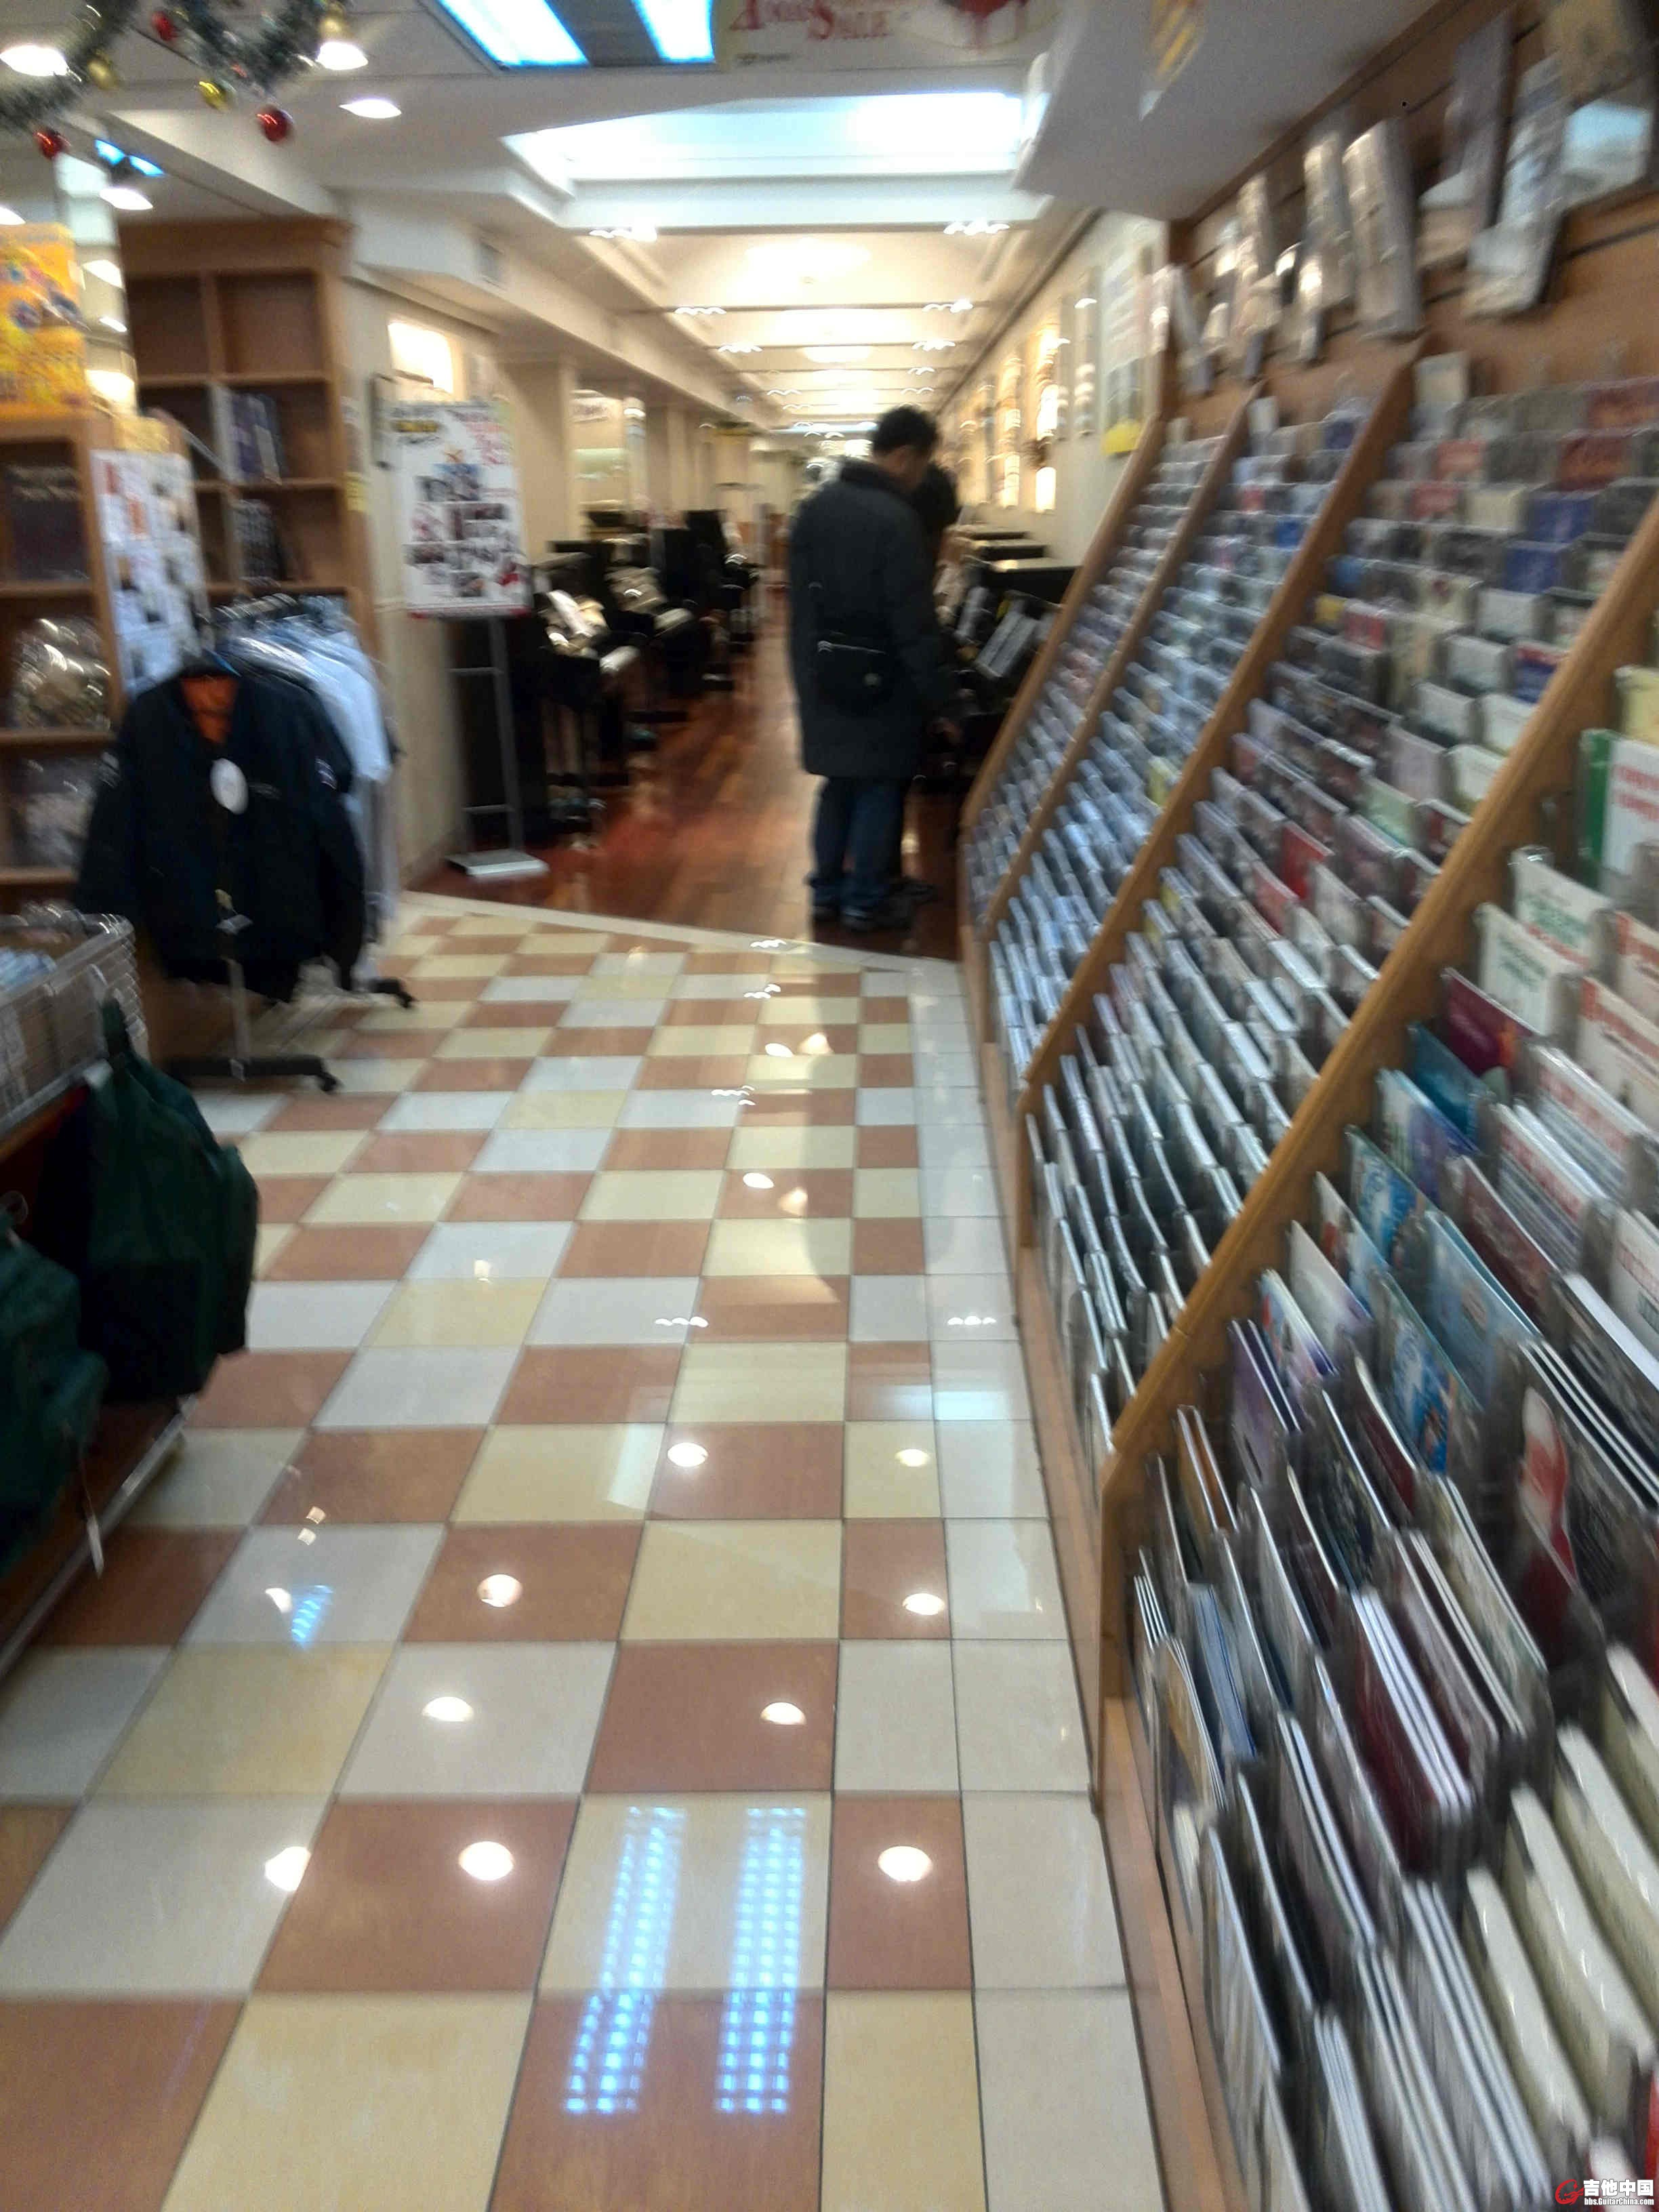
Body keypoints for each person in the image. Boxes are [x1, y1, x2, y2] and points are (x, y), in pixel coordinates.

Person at [788, 406, 960, 932]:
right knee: (879, 785)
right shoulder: (896, 519)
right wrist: (942, 700)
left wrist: (804, 678)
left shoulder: (814, 509)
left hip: (822, 671)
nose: (921, 478)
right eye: (923, 465)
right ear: (905, 456)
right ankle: (865, 898)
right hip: (881, 679)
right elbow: (913, 623)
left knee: (837, 785)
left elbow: (800, 608)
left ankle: (826, 892)